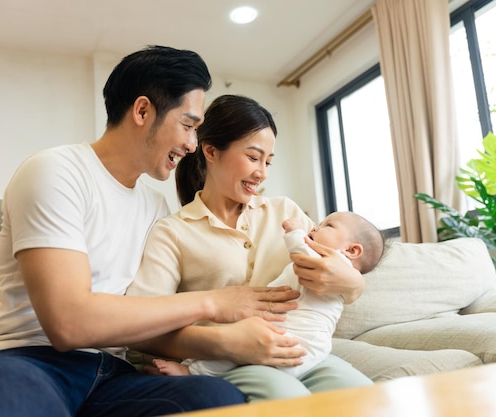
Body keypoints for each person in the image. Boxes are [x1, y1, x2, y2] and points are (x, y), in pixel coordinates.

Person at [0, 46, 307, 417]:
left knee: (215, 400)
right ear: (143, 111)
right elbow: (68, 323)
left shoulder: (155, 208)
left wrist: (225, 343)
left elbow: (147, 325)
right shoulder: (55, 171)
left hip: (110, 374)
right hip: (20, 359)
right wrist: (216, 302)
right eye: (188, 126)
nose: (192, 145)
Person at [127, 94, 373, 402]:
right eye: (253, 158)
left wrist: (354, 284)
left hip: (301, 353)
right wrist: (224, 341)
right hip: (229, 361)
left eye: (268, 162)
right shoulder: (173, 232)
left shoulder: (285, 212)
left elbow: (338, 273)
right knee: (287, 398)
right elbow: (139, 328)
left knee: (366, 397)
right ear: (211, 151)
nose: (262, 173)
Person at [150, 212, 385, 379]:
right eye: (253, 157)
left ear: (352, 250)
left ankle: (190, 372)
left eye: (328, 226)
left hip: (295, 338)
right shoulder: (175, 227)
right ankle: (190, 370)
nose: (315, 227)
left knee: (232, 360)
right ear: (211, 153)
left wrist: (294, 232)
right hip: (308, 347)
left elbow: (301, 250)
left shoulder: (325, 255)